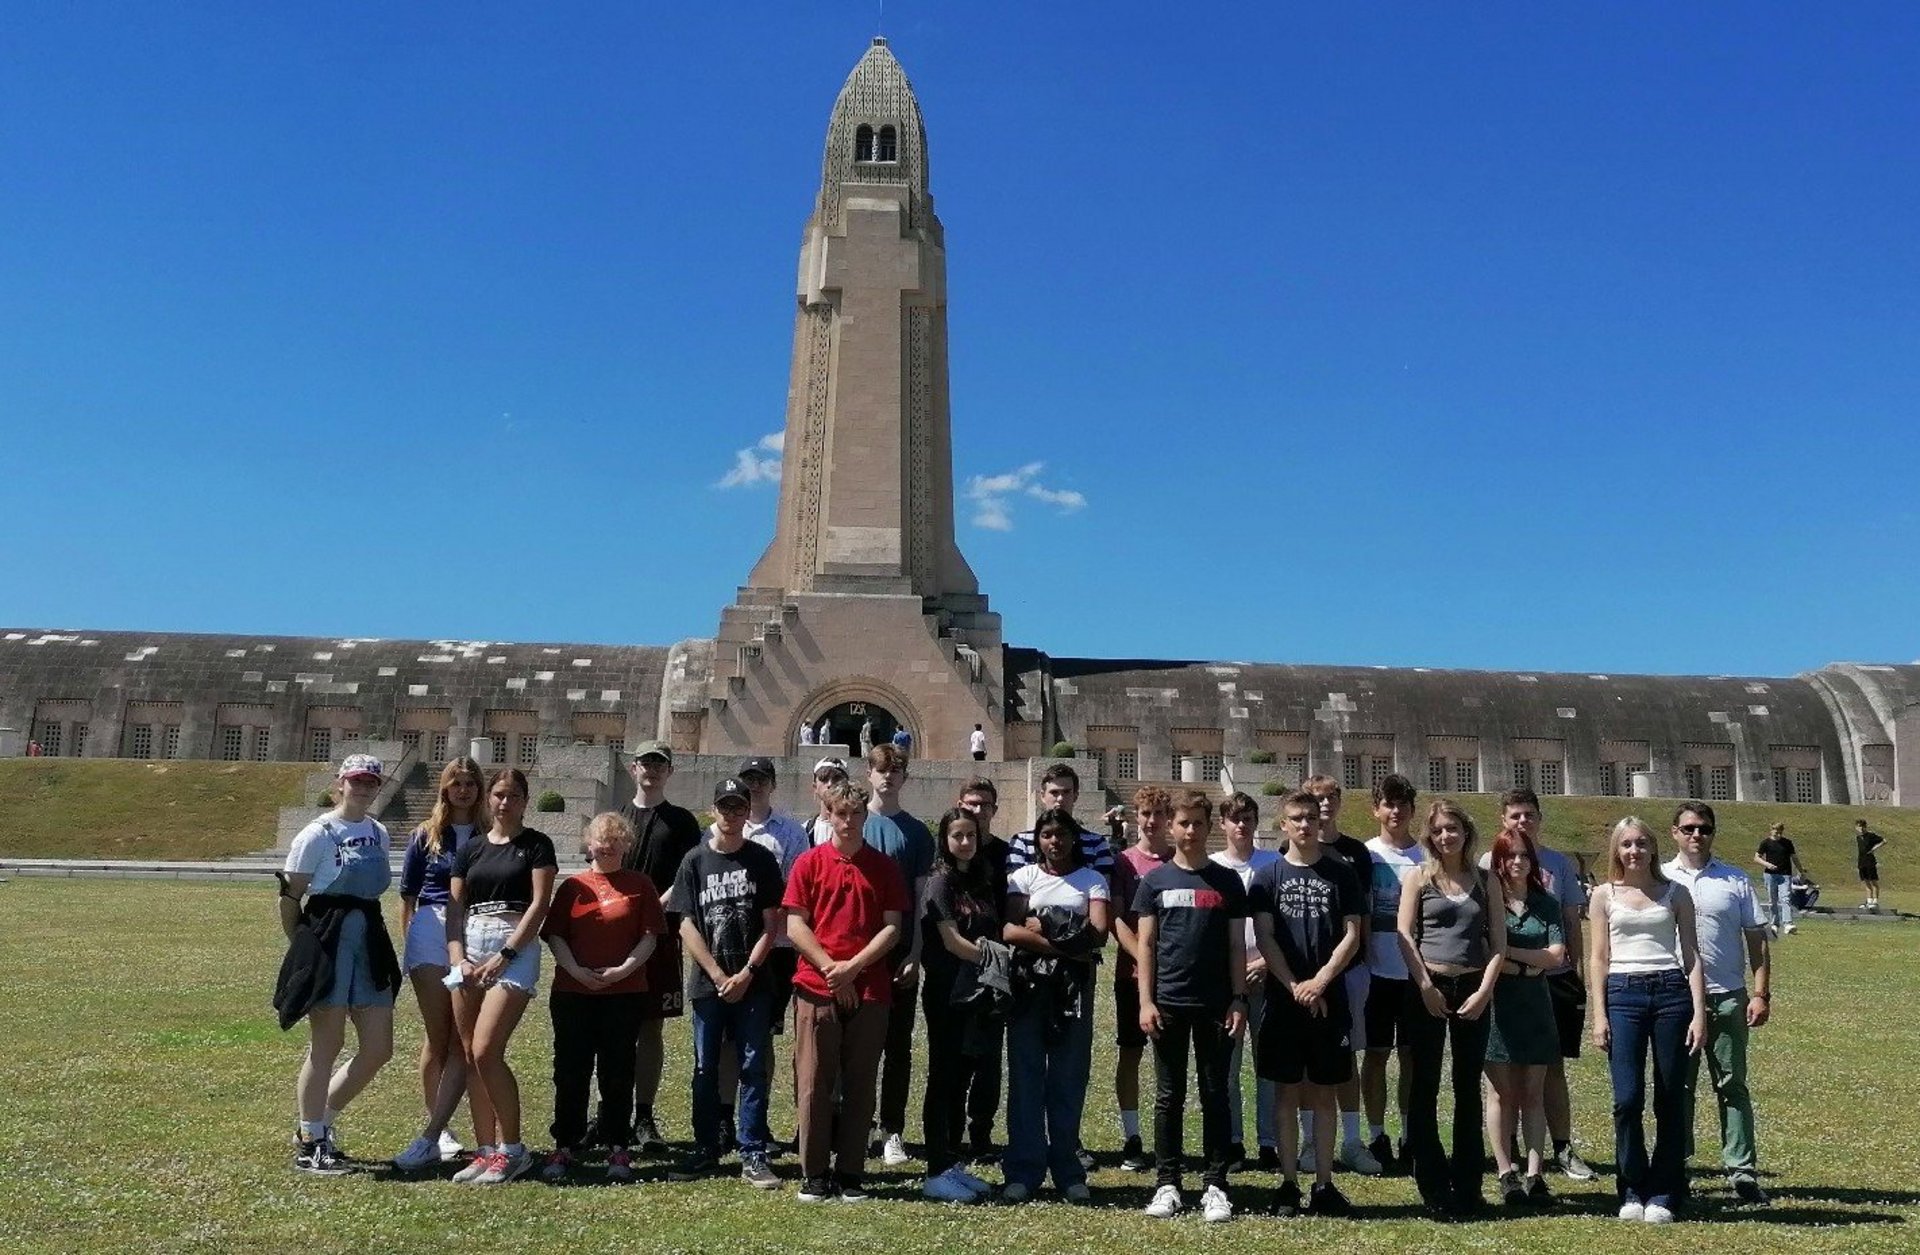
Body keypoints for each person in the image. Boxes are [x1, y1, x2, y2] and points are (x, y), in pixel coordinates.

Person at [783, 778, 908, 1203]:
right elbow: (795, 923)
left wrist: (853, 968)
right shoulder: (809, 863)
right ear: (829, 815)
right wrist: (829, 968)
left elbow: (893, 926)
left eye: (856, 814)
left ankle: (851, 1172)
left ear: (864, 817)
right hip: (816, 986)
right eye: (841, 814)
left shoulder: (884, 867)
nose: (848, 822)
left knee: (860, 1083)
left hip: (870, 987)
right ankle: (814, 1173)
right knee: (814, 1082)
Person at [276, 753, 398, 1175]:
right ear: (339, 783)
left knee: (379, 1047)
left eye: (371, 782)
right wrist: (303, 947)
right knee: (326, 1045)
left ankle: (318, 1122)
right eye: (356, 780)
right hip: (327, 936)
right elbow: (291, 898)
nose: (363, 788)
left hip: (368, 936)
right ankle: (313, 1142)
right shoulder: (317, 833)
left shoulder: (379, 832)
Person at [1250, 789, 1364, 1219]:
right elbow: (1265, 936)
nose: (1304, 825)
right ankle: (1287, 1183)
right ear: (1283, 824)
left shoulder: (1343, 874)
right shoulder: (1267, 877)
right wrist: (1295, 984)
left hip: (1328, 998)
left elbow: (1352, 935)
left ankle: (1323, 1183)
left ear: (1320, 821)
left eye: (1310, 818)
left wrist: (1319, 981)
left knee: (1323, 1091)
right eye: (1296, 818)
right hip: (1283, 1000)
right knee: (1285, 1092)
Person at [1589, 816, 1708, 1224]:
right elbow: (1598, 958)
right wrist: (1599, 1014)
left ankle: (1664, 1192)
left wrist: (1698, 1013)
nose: (1634, 851)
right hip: (1623, 994)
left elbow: (1691, 955)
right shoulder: (1604, 894)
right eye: (1626, 845)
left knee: (1671, 1098)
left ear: (1653, 848)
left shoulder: (1676, 892)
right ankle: (1632, 1188)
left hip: (1671, 993)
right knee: (1627, 1099)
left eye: (1641, 843)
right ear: (1617, 851)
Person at [1137, 791, 1249, 1223]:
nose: (1190, 831)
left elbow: (1237, 944)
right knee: (1169, 1096)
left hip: (1216, 1004)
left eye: (1198, 823)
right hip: (1167, 1004)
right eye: (1182, 823)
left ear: (1209, 826)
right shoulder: (1156, 882)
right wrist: (1146, 1000)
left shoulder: (1227, 882)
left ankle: (1216, 1184)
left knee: (1215, 1093)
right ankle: (1168, 1183)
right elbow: (1146, 944)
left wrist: (1239, 997)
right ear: (1170, 827)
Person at [671, 778, 786, 1189]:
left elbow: (772, 924)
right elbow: (685, 923)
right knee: (706, 1068)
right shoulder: (695, 861)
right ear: (713, 810)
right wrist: (719, 975)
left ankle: (752, 1151)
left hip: (754, 981)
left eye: (739, 807)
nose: (732, 815)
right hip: (709, 984)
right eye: (725, 807)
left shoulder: (761, 859)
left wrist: (747, 973)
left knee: (753, 1067)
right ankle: (706, 1147)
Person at [445, 767, 558, 1184]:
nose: (504, 802)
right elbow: (455, 908)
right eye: (497, 794)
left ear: (525, 800)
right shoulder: (470, 849)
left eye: (512, 795)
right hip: (470, 948)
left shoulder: (536, 846)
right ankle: (485, 1149)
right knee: (470, 1054)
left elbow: (540, 904)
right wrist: (459, 957)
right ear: (487, 799)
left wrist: (507, 955)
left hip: (513, 948)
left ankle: (513, 1150)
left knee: (487, 1048)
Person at [540, 812, 663, 1182]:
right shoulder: (572, 886)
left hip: (624, 993)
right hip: (572, 992)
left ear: (627, 845)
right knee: (570, 1070)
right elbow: (556, 935)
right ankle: (565, 1143)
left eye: (616, 839)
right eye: (600, 839)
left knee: (617, 1072)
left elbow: (650, 936)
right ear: (588, 843)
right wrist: (576, 970)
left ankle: (617, 1146)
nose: (607, 845)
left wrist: (623, 969)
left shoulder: (640, 884)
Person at [1398, 799, 1505, 1217]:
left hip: (1473, 985)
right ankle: (1432, 1184)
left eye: (1452, 829)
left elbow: (1498, 944)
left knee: (1467, 1089)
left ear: (1465, 832)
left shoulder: (1485, 880)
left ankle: (1468, 1184)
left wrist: (1484, 992)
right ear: (1430, 835)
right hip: (1428, 985)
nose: (1446, 837)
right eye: (1439, 830)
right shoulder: (1418, 877)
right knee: (1424, 1086)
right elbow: (1404, 934)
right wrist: (1425, 986)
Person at [1001, 807, 1112, 1202]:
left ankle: (1068, 1170)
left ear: (1073, 838)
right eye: (1047, 834)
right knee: (1026, 1076)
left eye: (1062, 834)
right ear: (1038, 840)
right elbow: (1011, 930)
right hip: (1029, 986)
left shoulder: (1092, 879)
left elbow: (1097, 933)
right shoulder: (1022, 877)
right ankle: (1023, 1170)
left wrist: (1043, 921)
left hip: (1072, 989)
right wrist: (1064, 939)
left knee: (1068, 1077)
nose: (1055, 841)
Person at [1486, 787, 1597, 1181]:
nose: (1522, 822)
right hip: (1503, 987)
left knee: (1551, 1068)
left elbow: (1569, 921)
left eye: (1529, 815)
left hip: (1553, 980)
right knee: (1505, 1071)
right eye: (1515, 815)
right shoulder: (1488, 862)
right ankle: (1510, 1152)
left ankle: (1562, 1147)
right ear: (1503, 819)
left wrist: (1576, 971)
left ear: (1539, 818)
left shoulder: (1558, 864)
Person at [1666, 802, 1774, 1206]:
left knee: (1732, 1086)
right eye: (1689, 828)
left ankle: (1742, 1171)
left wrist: (1761, 992)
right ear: (1674, 832)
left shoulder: (1735, 880)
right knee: (1678, 1086)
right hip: (1675, 997)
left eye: (1704, 829)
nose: (1697, 835)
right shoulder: (1659, 878)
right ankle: (1677, 1164)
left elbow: (1756, 941)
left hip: (1727, 995)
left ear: (1713, 833)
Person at [391, 756, 487, 1171]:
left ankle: (446, 1126)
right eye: (456, 783)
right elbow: (408, 897)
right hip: (430, 931)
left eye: (470, 783)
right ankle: (439, 1129)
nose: (463, 790)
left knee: (463, 1040)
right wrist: (410, 943)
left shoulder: (489, 834)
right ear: (444, 788)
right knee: (438, 1033)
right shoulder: (425, 836)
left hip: (475, 931)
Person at [617, 740, 703, 1153]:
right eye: (646, 763)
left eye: (659, 764)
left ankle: (644, 1113)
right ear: (633, 768)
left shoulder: (682, 821)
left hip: (662, 932)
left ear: (670, 771)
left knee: (650, 1025)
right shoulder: (616, 818)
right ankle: (610, 1110)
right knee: (612, 1024)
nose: (651, 770)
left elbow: (689, 873)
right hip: (614, 934)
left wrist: (655, 905)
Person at [1299, 776, 1384, 1175]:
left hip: (1349, 969)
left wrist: (1362, 960)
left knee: (1348, 1055)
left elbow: (1363, 912)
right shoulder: (1293, 849)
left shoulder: (1355, 853)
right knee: (1306, 1060)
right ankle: (1309, 1142)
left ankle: (1351, 1140)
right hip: (1305, 972)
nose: (1325, 804)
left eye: (1331, 796)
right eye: (1317, 798)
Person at [919, 807, 1003, 1201]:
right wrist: (997, 962)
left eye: (971, 834)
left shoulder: (981, 880)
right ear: (945, 839)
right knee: (943, 1079)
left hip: (977, 995)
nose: (965, 842)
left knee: (964, 1077)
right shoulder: (940, 884)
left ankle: (952, 1163)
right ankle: (935, 1168)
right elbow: (951, 941)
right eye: (958, 835)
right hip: (946, 992)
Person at [1483, 830, 1566, 1207]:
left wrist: (1507, 951)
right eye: (1510, 856)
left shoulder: (1545, 903)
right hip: (1499, 1000)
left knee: (1533, 1092)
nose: (1518, 862)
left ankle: (1535, 1173)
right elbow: (1483, 950)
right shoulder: (1489, 901)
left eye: (1524, 856)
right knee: (1501, 1091)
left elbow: (1555, 956)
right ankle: (1505, 1171)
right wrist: (1507, 956)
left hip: (1535, 999)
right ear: (1498, 860)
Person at [864, 743, 937, 1167]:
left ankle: (892, 1130)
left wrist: (915, 951)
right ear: (868, 774)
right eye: (880, 769)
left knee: (897, 1047)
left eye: (895, 771)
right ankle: (856, 1124)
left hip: (899, 953)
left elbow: (922, 896)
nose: (888, 777)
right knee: (856, 1047)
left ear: (905, 778)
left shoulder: (916, 833)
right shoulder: (854, 823)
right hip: (856, 955)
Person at [1209, 790, 1279, 1171]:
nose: (1241, 825)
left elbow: (1283, 924)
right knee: (1228, 1066)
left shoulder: (1272, 863)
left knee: (1267, 1064)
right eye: (1234, 818)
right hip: (1225, 979)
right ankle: (1233, 1140)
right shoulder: (1215, 867)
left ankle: (1268, 1141)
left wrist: (1267, 962)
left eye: (1248, 818)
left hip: (1267, 974)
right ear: (1223, 824)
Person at [1109, 784, 1175, 1172]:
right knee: (1130, 1053)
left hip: (1174, 977)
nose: (1152, 822)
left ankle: (1168, 1138)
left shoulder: (1176, 862)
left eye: (1158, 815)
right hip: (1131, 973)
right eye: (1145, 814)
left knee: (1169, 1059)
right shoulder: (1123, 863)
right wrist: (1144, 958)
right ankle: (1131, 1135)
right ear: (1137, 817)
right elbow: (1117, 919)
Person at [1360, 772, 1422, 1172]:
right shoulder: (1366, 855)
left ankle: (1409, 1133)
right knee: (1377, 1056)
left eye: (1402, 804)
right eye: (1388, 803)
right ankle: (1377, 1133)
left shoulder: (1427, 856)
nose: (1395, 811)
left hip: (1416, 973)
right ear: (1376, 809)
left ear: (1411, 810)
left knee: (1413, 1059)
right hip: (1376, 971)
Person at [956, 776, 1010, 1160]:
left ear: (994, 809)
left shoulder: (1006, 855)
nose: (978, 811)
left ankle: (981, 1133)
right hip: (956, 968)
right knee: (954, 1055)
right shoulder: (950, 857)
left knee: (990, 1058)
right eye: (971, 804)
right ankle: (949, 1132)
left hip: (997, 969)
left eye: (984, 805)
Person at [1753, 822, 1805, 935]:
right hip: (1770, 875)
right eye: (1776, 831)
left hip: (1785, 874)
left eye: (1780, 832)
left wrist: (1801, 871)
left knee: (1786, 898)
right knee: (1772, 900)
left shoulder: (1787, 843)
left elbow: (1794, 858)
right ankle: (1774, 924)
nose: (1778, 834)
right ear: (1771, 830)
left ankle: (1788, 923)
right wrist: (1767, 864)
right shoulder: (1765, 843)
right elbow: (1756, 858)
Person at [804, 756, 849, 845]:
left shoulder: (855, 828)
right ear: (815, 787)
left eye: (837, 779)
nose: (830, 784)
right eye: (824, 779)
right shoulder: (805, 830)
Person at [1856, 818, 1886, 911]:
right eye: (1858, 827)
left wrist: (1874, 848)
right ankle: (1869, 901)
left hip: (1870, 861)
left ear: (1865, 827)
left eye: (1862, 827)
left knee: (1873, 882)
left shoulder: (1871, 836)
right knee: (1866, 882)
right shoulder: (1858, 838)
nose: (1860, 829)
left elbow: (1884, 841)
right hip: (1862, 862)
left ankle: (1875, 902)